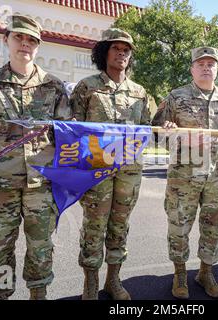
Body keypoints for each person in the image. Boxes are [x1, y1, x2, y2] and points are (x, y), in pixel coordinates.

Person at [0, 15, 71, 300]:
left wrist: (65, 179)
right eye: (19, 37)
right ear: (5, 39)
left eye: (32, 40)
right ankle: (1, 296)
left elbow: (67, 137)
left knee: (41, 246)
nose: (25, 44)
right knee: (0, 248)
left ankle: (38, 294)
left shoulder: (53, 87)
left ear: (38, 46)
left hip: (41, 186)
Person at [70, 28, 151, 300]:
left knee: (120, 225)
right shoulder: (87, 87)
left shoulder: (140, 92)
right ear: (104, 52)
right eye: (116, 48)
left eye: (126, 49)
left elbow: (147, 129)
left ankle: (113, 280)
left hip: (128, 173)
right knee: (94, 226)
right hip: (96, 172)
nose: (122, 53)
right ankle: (90, 281)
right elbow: (72, 128)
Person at [152, 47, 218, 299]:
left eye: (211, 63)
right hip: (183, 177)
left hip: (216, 177)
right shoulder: (176, 97)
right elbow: (157, 134)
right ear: (192, 68)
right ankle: (179, 273)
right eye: (201, 63)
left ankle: (205, 272)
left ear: (217, 68)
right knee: (179, 226)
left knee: (213, 226)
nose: (206, 67)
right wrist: (177, 137)